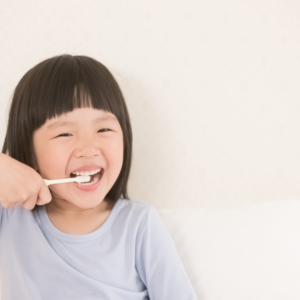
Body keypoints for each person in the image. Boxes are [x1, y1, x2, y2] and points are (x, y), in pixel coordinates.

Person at [0, 54, 198, 300]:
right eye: (64, 134)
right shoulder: (10, 216)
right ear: (28, 149)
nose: (88, 148)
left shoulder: (138, 225)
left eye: (103, 129)